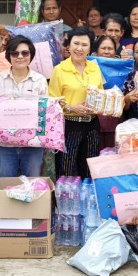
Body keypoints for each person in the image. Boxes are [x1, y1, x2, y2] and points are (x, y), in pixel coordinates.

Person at [0, 36, 48, 177]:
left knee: (32, 182)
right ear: (8, 56)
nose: (20, 57)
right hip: (4, 144)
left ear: (31, 55)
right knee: (5, 181)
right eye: (15, 53)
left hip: (32, 144)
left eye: (25, 53)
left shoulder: (39, 80)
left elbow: (44, 112)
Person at [48, 26, 102, 178]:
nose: (79, 48)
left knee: (90, 168)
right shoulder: (59, 70)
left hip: (92, 124)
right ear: (69, 46)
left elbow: (100, 94)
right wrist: (71, 108)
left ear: (90, 49)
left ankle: (87, 193)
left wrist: (96, 106)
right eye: (76, 43)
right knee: (66, 168)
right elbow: (52, 102)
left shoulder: (95, 68)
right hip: (69, 125)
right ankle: (64, 194)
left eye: (84, 45)